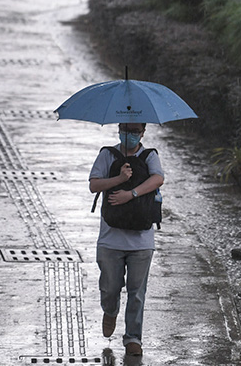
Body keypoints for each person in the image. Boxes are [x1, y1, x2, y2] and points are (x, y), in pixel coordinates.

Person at [88, 122, 164, 357]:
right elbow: (94, 185)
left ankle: (133, 338)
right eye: (125, 130)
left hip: (141, 241)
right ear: (119, 129)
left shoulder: (150, 156)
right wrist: (119, 180)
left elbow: (158, 179)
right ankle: (110, 311)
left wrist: (130, 194)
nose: (128, 135)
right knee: (110, 288)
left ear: (142, 132)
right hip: (111, 240)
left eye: (134, 131)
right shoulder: (107, 155)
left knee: (137, 293)